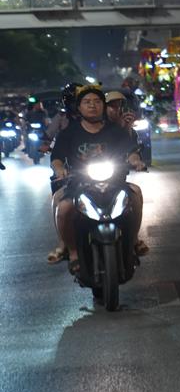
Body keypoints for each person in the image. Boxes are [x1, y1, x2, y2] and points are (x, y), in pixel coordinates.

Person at [47, 86, 147, 271]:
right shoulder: (69, 132)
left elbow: (131, 150)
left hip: (114, 182)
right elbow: (57, 158)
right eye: (87, 102)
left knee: (136, 194)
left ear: (103, 105)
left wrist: (135, 161)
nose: (92, 105)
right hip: (79, 184)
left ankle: (134, 240)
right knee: (64, 208)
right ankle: (73, 252)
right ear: (79, 107)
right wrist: (60, 169)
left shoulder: (115, 131)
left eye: (97, 101)